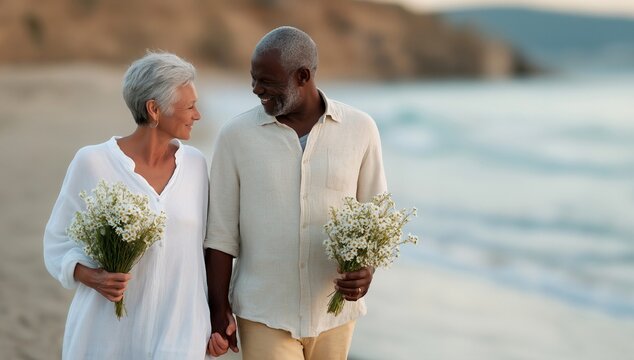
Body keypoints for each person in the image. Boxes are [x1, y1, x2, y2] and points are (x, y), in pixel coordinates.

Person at [204, 26, 387, 359]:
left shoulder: (361, 129)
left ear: (303, 76)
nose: (256, 89)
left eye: (267, 81)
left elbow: (376, 217)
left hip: (334, 314)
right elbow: (220, 234)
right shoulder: (236, 136)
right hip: (263, 313)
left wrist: (367, 272)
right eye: (253, 78)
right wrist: (218, 308)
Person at [43, 51, 226, 359]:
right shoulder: (93, 162)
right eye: (190, 106)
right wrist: (93, 277)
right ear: (154, 109)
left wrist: (217, 318)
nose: (198, 116)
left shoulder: (195, 165)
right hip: (105, 334)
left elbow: (209, 248)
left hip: (179, 333)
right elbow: (57, 242)